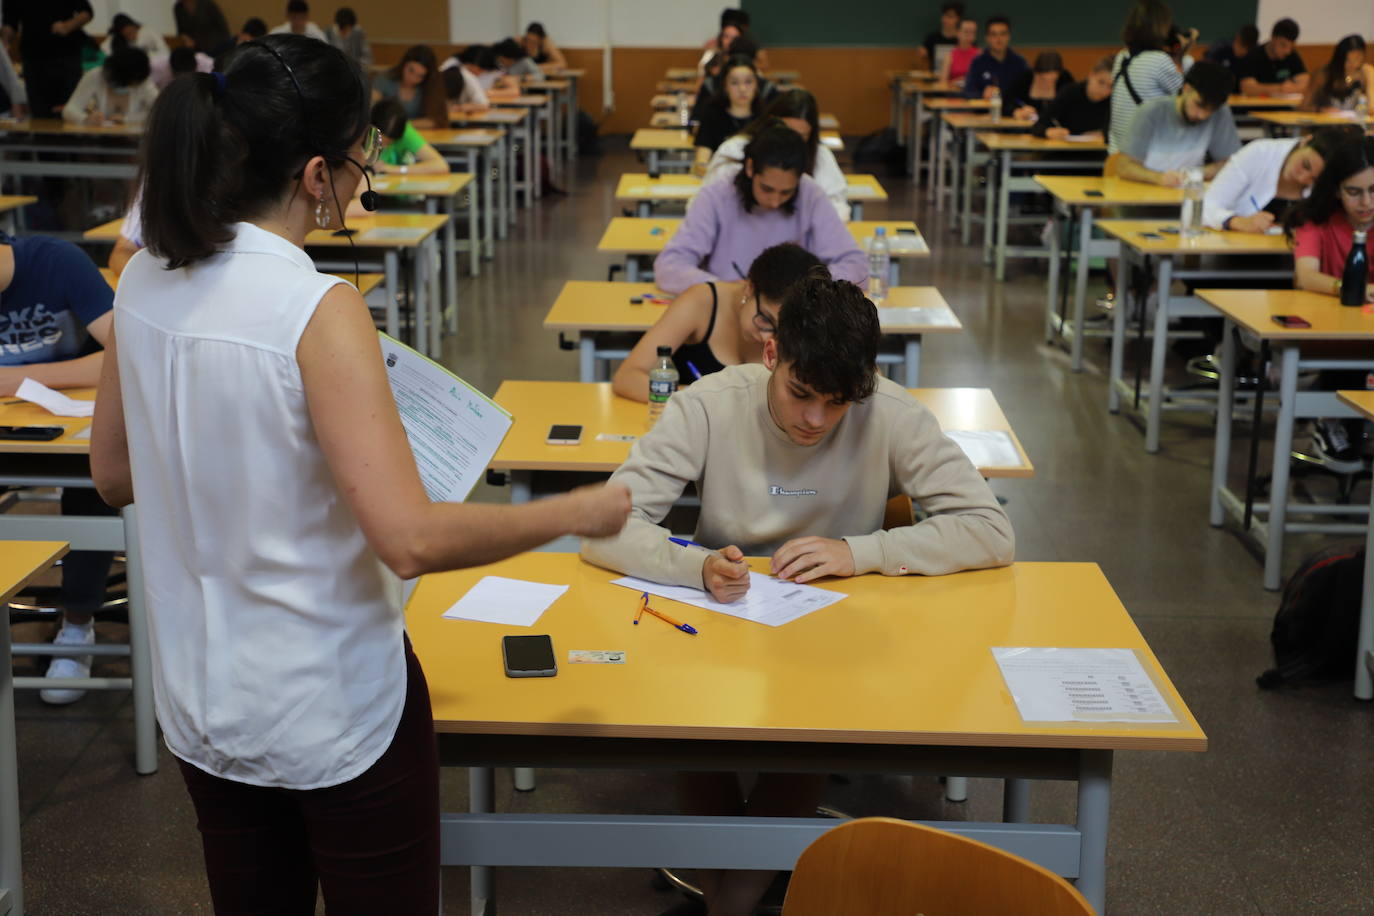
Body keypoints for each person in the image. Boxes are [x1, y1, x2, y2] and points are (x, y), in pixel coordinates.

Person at [88, 33, 630, 915]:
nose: (360, 182)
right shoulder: (315, 305)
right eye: (356, 166)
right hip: (330, 704)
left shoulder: (145, 278)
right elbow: (408, 540)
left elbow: (111, 472)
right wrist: (572, 509)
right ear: (313, 176)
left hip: (204, 699)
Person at [582, 275, 1014, 916]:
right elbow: (603, 530)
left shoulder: (890, 412)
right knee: (696, 729)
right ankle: (733, 899)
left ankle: (726, 904)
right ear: (770, 355)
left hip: (836, 630)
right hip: (722, 616)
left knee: (812, 726)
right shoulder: (708, 404)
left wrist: (862, 551)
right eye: (801, 394)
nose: (815, 420)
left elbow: (991, 531)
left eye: (838, 403)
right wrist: (696, 566)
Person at [0, 231, 117, 705]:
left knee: (97, 484)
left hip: (73, 432)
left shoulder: (57, 262)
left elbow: (125, 351)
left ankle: (78, 624)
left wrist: (20, 379)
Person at [655, 123, 867, 294]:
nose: (775, 201)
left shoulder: (810, 193)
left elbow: (856, 265)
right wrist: (728, 288)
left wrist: (805, 287)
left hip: (792, 313)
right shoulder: (717, 195)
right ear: (749, 168)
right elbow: (670, 267)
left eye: (786, 193)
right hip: (730, 307)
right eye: (767, 189)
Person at [612, 243, 824, 401]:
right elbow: (628, 377)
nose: (767, 337)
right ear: (749, 289)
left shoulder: (806, 324)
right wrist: (702, 402)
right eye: (765, 319)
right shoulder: (701, 301)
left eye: (782, 330)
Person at [1284, 135, 1374, 469]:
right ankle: (1331, 420)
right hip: (1333, 332)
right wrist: (1349, 288)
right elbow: (1306, 275)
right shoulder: (1316, 220)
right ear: (1336, 190)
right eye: (1354, 192)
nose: (1366, 202)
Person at [701, 91, 849, 222]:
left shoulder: (820, 156)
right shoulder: (734, 151)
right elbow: (707, 206)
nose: (790, 141)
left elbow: (837, 209)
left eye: (800, 137)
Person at [1113, 61, 1240, 186]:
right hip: (1144, 194)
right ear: (1186, 89)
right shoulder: (1151, 112)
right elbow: (1124, 166)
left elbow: (1231, 163)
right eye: (1199, 105)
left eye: (1212, 110)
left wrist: (1195, 174)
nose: (1202, 115)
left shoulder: (1221, 112)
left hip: (1187, 194)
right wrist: (1159, 178)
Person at [1203, 127, 1352, 231]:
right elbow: (1206, 206)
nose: (1302, 178)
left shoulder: (1331, 184)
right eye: (1305, 165)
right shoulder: (1259, 153)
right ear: (1305, 141)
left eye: (1314, 180)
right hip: (1231, 255)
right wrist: (1234, 221)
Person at [1108, 0, 1183, 154]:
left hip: (1117, 156)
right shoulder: (1159, 60)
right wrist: (1180, 55)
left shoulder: (1121, 57)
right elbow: (1186, 96)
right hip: (1147, 157)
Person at [1, 1, 93, 119]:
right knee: (40, 113)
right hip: (33, 58)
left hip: (65, 56)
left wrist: (67, 26)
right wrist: (4, 45)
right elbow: (9, 22)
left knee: (69, 112)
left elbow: (87, 13)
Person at [693, 55, 764, 170]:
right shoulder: (712, 115)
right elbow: (701, 160)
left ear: (757, 85)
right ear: (725, 86)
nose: (742, 89)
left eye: (748, 82)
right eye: (734, 83)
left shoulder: (765, 118)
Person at [62, 48, 158, 126]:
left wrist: (128, 119)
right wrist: (85, 119)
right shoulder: (96, 75)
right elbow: (69, 110)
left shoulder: (143, 81)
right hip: (101, 138)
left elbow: (160, 111)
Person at [1032, 55, 1114, 139]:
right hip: (1065, 150)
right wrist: (1048, 132)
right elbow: (1038, 126)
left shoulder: (1114, 100)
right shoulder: (1070, 92)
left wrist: (1104, 134)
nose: (1104, 90)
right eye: (1101, 82)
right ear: (1091, 75)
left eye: (1111, 86)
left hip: (1099, 151)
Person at [371, 45, 447, 129]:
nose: (412, 78)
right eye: (411, 70)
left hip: (417, 136)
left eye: (420, 76)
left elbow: (436, 121)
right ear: (403, 64)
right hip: (385, 133)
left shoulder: (430, 87)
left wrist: (401, 124)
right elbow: (371, 110)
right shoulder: (384, 80)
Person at [962, 15, 1029, 101]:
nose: (999, 39)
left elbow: (1026, 94)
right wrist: (982, 93)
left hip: (1013, 112)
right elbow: (968, 92)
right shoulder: (977, 62)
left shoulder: (1019, 63)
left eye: (1003, 34)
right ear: (987, 38)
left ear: (1009, 36)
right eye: (994, 34)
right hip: (985, 111)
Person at [1236, 18, 1308, 96]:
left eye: (1291, 46)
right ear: (1273, 38)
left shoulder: (1292, 55)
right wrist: (1279, 88)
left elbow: (1306, 83)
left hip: (1285, 106)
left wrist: (1291, 88)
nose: (1287, 51)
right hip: (1258, 106)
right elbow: (1247, 88)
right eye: (1283, 45)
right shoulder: (1253, 55)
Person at [1302, 35, 1374, 113]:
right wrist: (1321, 110)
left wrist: (1370, 76)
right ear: (1339, 58)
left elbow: (1372, 107)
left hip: (1354, 123)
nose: (1354, 64)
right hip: (1325, 123)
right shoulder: (1323, 75)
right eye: (1348, 60)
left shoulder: (1364, 73)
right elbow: (1303, 106)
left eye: (1358, 59)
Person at [1006, 51, 1074, 122]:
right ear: (1036, 72)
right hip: (1027, 126)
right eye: (1043, 79)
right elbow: (1007, 101)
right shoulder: (1025, 78)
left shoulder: (1065, 79)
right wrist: (1016, 111)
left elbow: (1074, 103)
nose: (1048, 83)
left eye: (1053, 79)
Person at [921, 1, 963, 75]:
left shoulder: (964, 40)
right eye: (944, 15)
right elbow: (924, 61)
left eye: (950, 17)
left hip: (957, 79)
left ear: (958, 19)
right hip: (935, 78)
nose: (946, 20)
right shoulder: (932, 38)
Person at [101, 13, 168, 58]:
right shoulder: (116, 39)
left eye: (132, 31)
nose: (131, 36)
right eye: (127, 34)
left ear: (135, 27)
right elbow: (103, 50)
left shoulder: (149, 31)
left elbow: (165, 51)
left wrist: (147, 55)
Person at [327, 7, 372, 72]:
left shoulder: (358, 33)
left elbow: (368, 57)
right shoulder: (328, 34)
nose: (347, 31)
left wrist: (357, 65)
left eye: (349, 28)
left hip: (355, 72)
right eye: (344, 29)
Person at [939, 18, 979, 87]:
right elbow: (942, 82)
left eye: (972, 32)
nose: (969, 35)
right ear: (958, 33)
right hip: (953, 93)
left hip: (973, 94)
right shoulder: (949, 56)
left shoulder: (979, 54)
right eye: (966, 32)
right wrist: (953, 83)